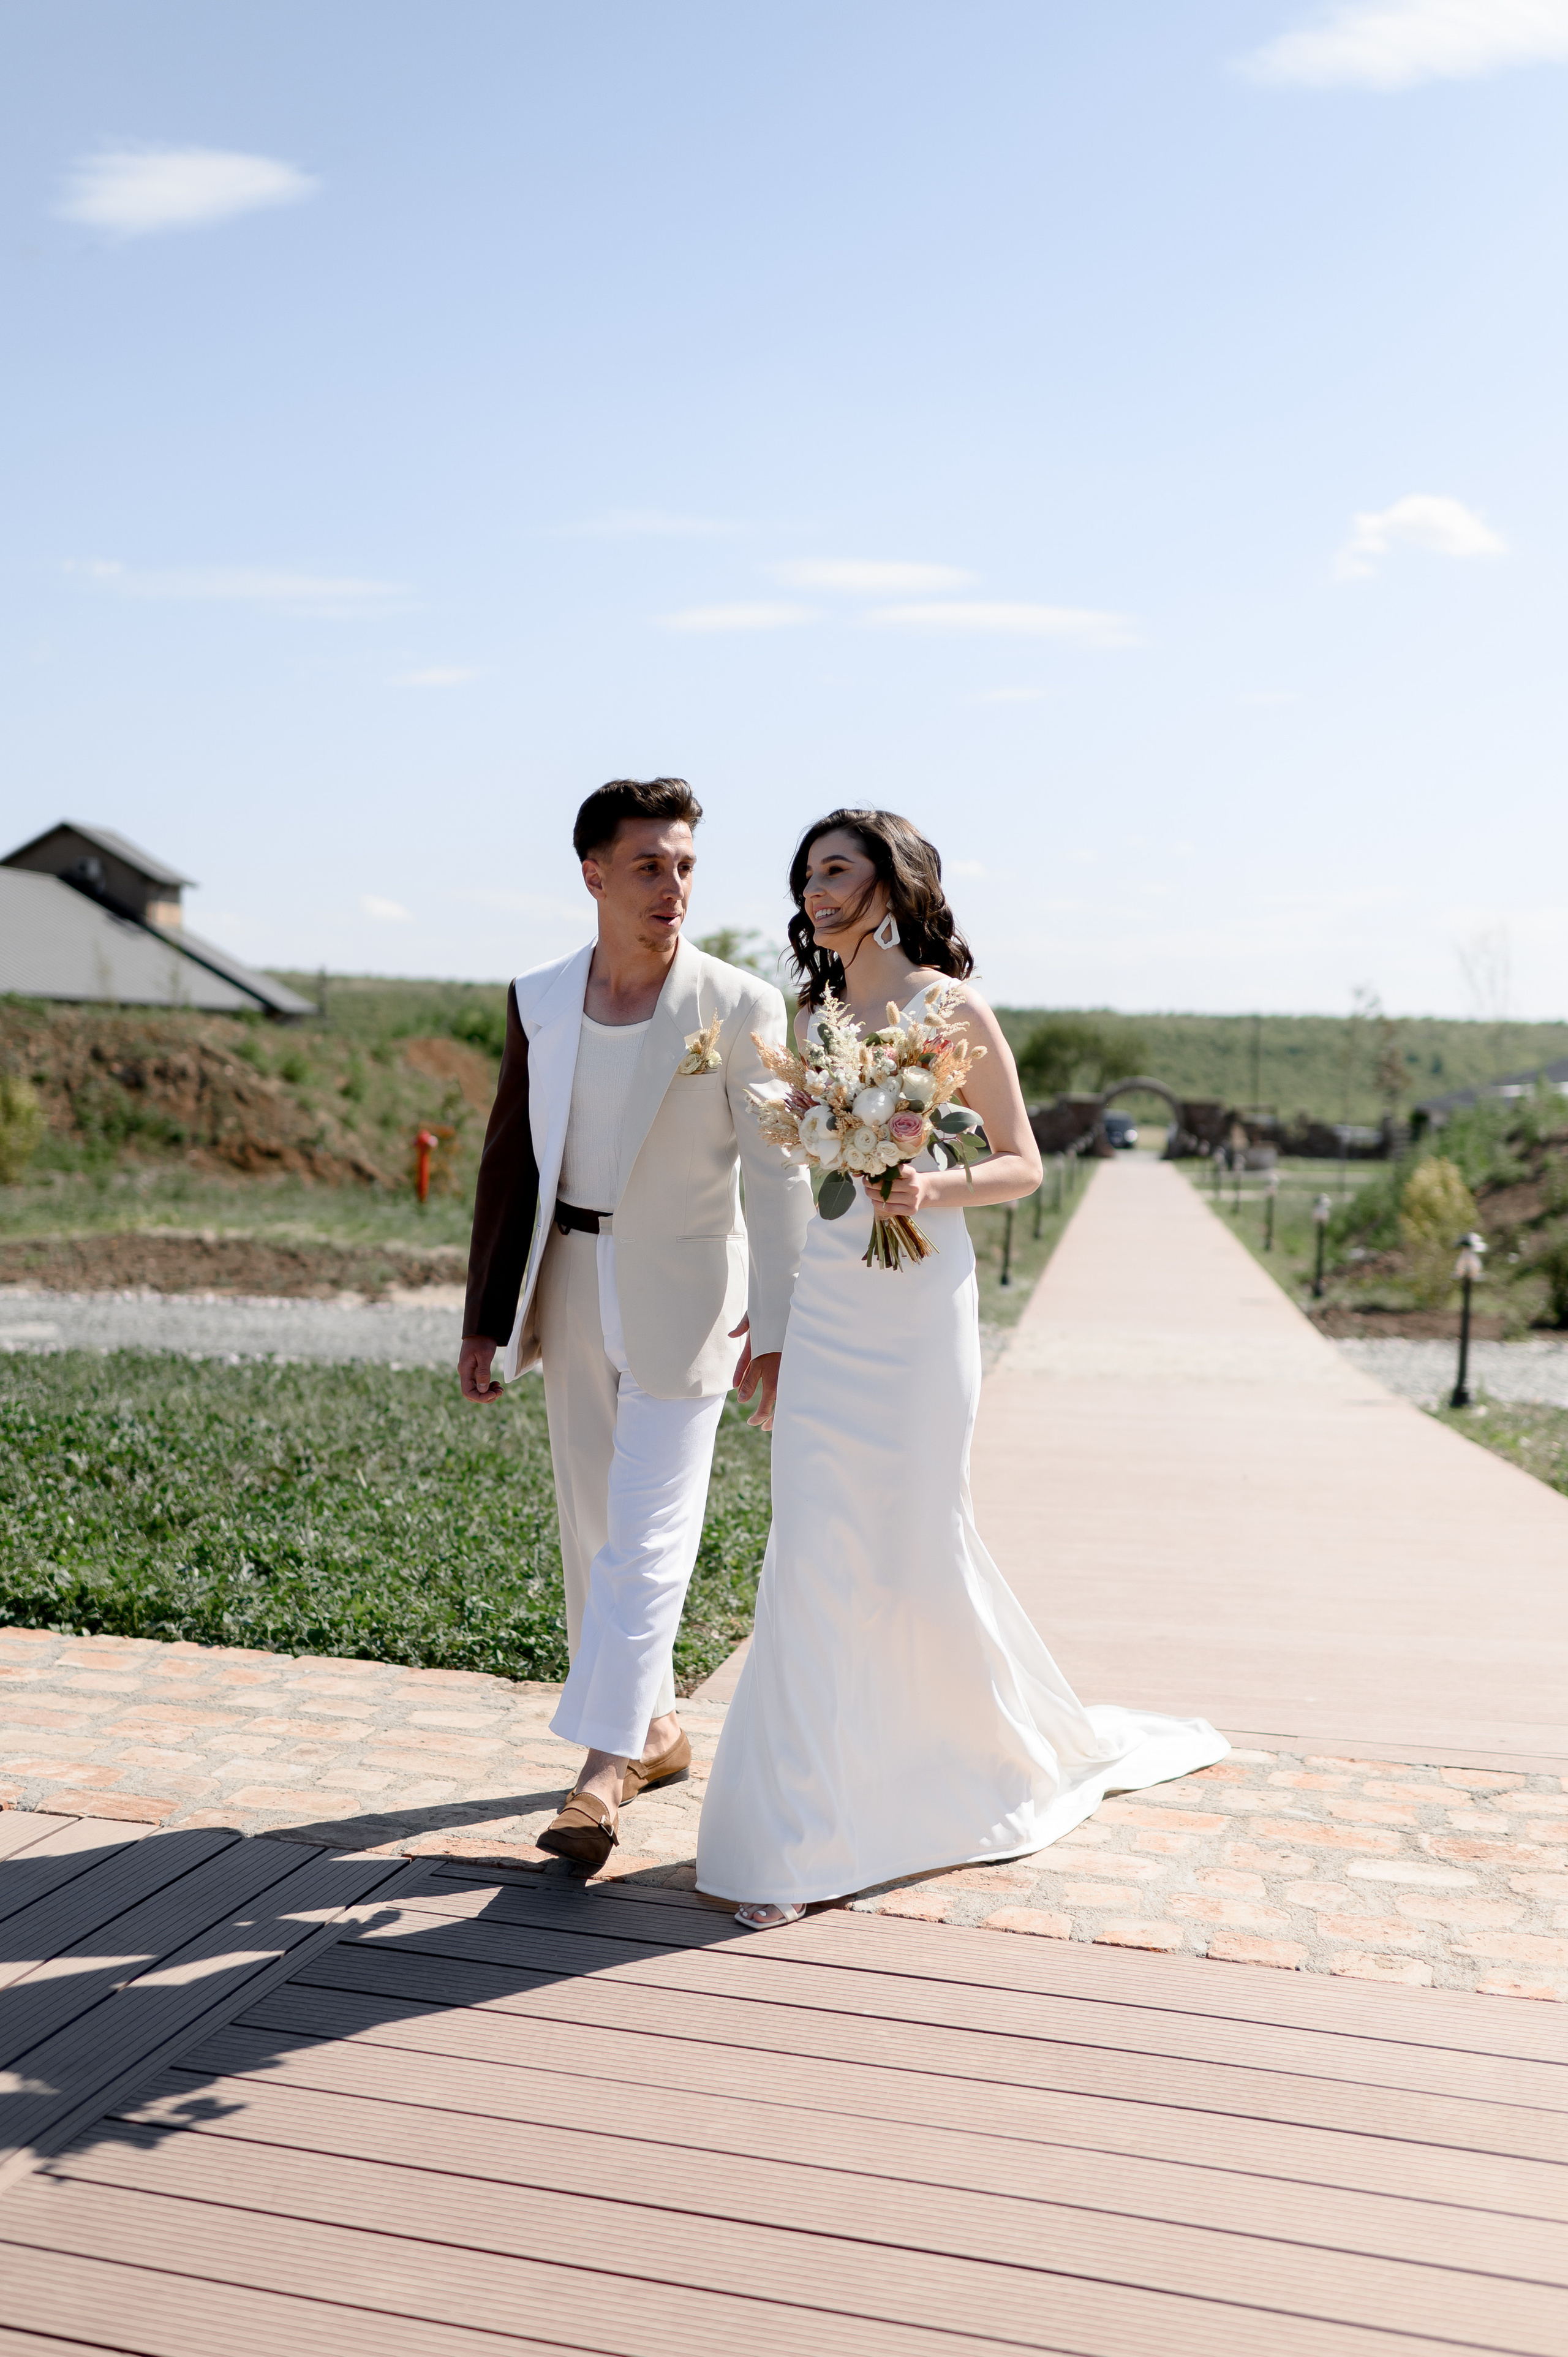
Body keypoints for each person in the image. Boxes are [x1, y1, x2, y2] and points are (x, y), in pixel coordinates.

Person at [695, 809, 1227, 1926]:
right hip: (833, 1303)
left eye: (837, 870)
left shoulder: (950, 1008)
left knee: (912, 1542)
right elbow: (789, 1192)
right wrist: (771, 1316)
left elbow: (1025, 1163)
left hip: (921, 1311)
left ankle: (942, 1777)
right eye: (806, 874)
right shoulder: (814, 1016)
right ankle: (795, 1837)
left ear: (889, 887)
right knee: (815, 1545)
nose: (815, 889)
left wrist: (932, 1188)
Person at [459, 777, 812, 1872]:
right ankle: (656, 1731)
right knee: (595, 1534)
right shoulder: (539, 998)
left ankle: (600, 1775)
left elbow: (779, 1174)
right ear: (595, 874)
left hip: (693, 1299)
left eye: (688, 866)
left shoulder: (742, 1006)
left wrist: (781, 1326)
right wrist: (484, 1319)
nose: (675, 886)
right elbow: (510, 1160)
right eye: (652, 865)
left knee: (652, 1535)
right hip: (568, 1285)